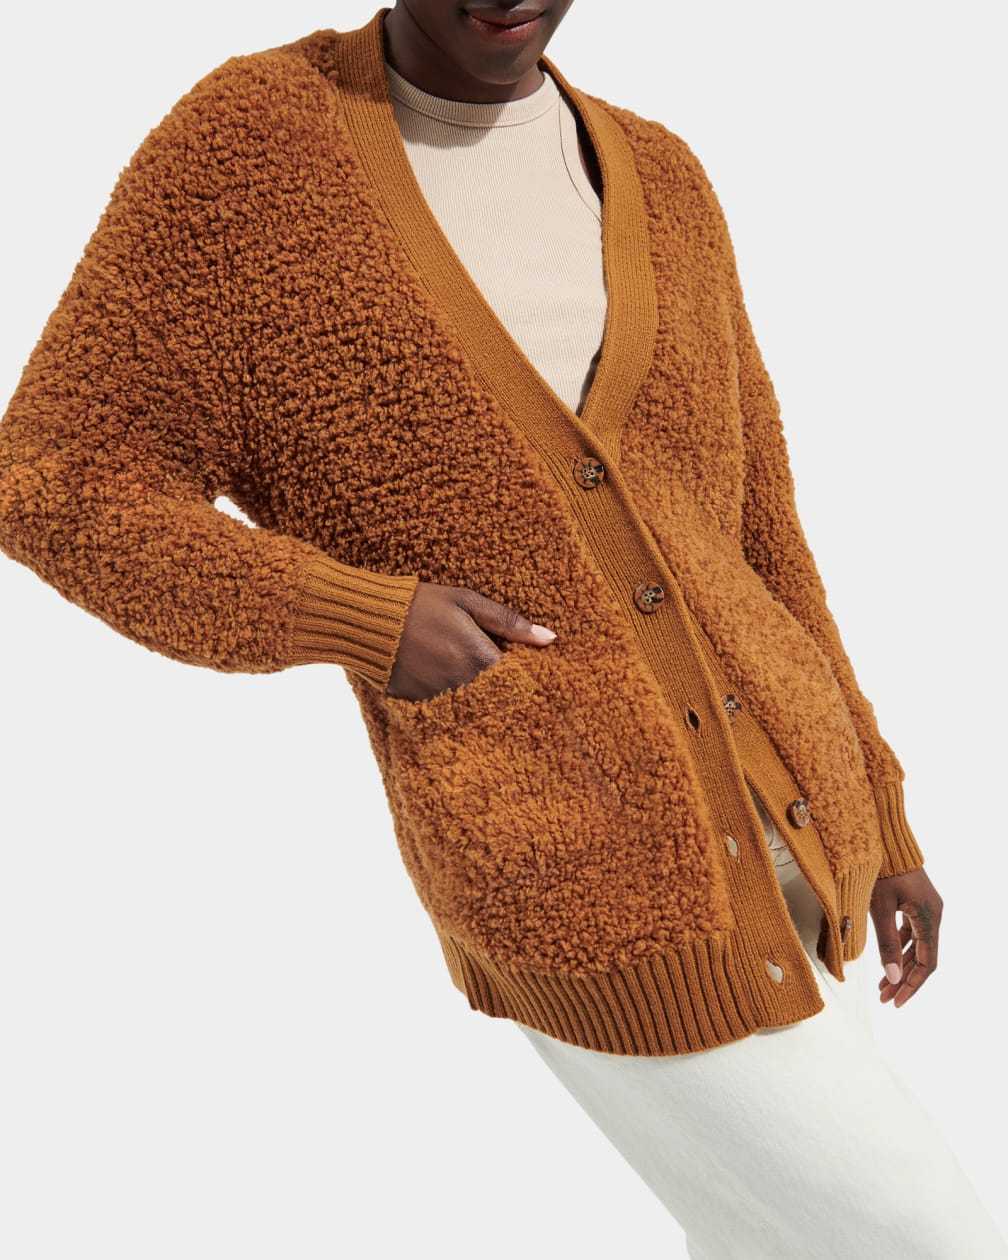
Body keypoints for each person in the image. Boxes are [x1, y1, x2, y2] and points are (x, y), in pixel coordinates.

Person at [0, 3, 1003, 1255]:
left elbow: (760, 533)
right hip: (591, 875)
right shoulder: (255, 150)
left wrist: (883, 812)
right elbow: (51, 481)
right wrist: (366, 619)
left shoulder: (664, 177)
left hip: (806, 838)